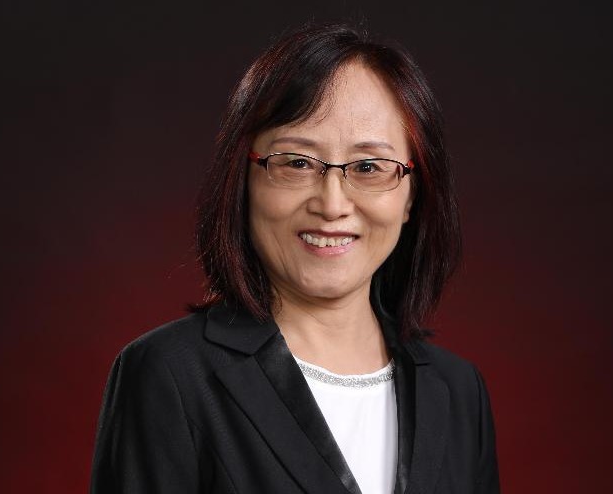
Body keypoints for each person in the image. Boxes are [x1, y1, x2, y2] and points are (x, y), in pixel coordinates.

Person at [90, 22, 500, 494]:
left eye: (369, 167)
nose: (332, 204)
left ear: (412, 196)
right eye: (297, 162)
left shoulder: (459, 391)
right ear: (243, 181)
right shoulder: (169, 375)